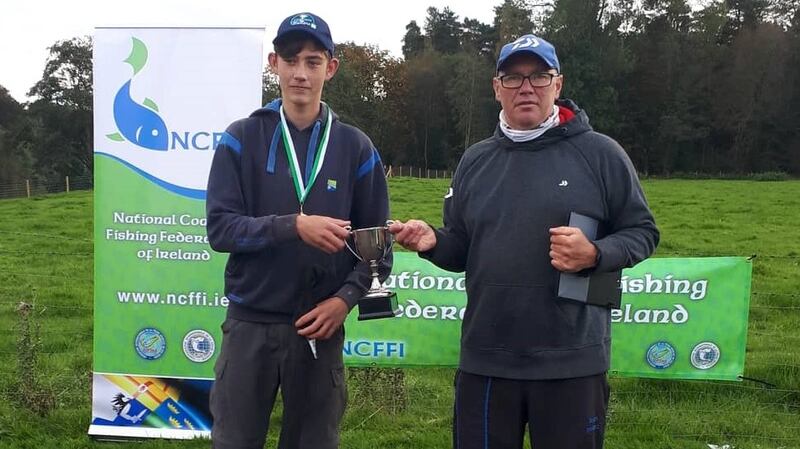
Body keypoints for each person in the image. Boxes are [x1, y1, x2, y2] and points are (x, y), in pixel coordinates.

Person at [389, 34, 659, 449]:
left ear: (558, 84)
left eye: (539, 76)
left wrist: (595, 253)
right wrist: (432, 242)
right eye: (513, 78)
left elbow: (643, 232)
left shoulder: (600, 153)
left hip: (571, 362)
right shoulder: (475, 160)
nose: (527, 87)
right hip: (486, 360)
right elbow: (462, 247)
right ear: (497, 88)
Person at [205, 12, 390, 449]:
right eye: (291, 60)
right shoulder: (241, 138)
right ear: (274, 63)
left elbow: (377, 245)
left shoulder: (355, 147)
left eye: (312, 61)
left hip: (319, 328)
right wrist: (293, 226)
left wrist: (343, 302)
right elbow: (221, 230)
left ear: (331, 67)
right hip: (250, 324)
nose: (300, 73)